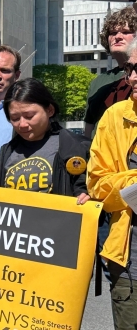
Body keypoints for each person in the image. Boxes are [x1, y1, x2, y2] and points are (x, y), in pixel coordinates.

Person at [88, 39, 137, 330]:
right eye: (130, 68)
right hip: (129, 262)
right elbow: (98, 185)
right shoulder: (114, 117)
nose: (131, 77)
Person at [0, 78, 90, 201]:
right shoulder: (7, 152)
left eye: (29, 116)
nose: (22, 124)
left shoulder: (74, 147)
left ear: (50, 110)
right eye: (15, 118)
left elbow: (89, 188)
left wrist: (87, 195)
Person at [83, 6, 137, 138]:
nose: (118, 37)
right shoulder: (98, 82)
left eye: (125, 31)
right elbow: (89, 126)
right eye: (112, 33)